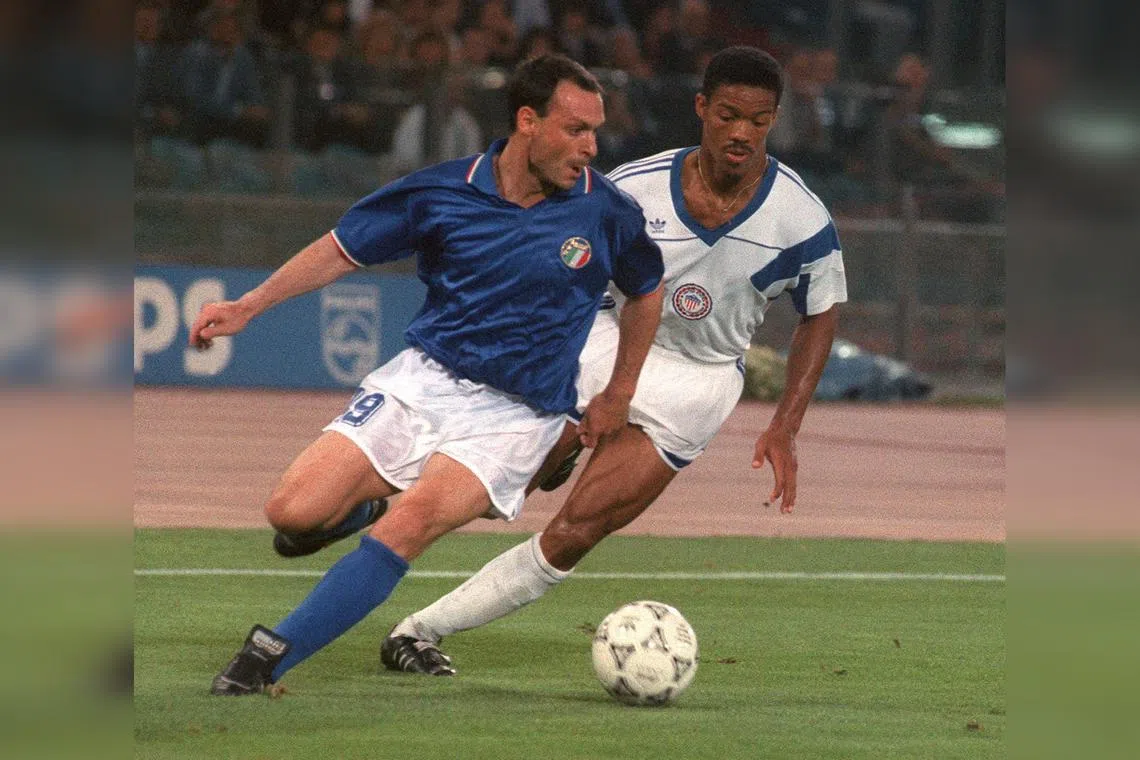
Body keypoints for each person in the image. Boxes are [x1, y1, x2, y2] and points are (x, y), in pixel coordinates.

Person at [197, 54, 666, 695]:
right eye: (576, 130)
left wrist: (620, 391)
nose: (591, 148)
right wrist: (247, 306)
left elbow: (646, 292)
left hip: (520, 414)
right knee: (292, 512)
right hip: (425, 379)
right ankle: (361, 505)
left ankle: (269, 657)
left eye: (596, 132)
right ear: (528, 122)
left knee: (411, 523)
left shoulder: (606, 211)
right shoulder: (441, 190)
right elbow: (340, 250)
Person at [378, 45, 847, 675]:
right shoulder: (633, 186)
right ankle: (371, 499)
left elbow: (822, 311)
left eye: (758, 121)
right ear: (702, 108)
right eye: (729, 115)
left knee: (576, 531)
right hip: (608, 340)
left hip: (699, 381)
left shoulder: (801, 216)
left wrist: (786, 424)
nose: (742, 133)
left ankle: (418, 632)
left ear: (774, 120)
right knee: (490, 483)